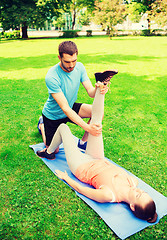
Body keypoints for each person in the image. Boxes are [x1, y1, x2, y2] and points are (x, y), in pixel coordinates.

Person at [37, 72, 157, 223]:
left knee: (63, 128)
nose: (138, 190)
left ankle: (48, 152)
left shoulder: (109, 195)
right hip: (98, 158)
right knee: (97, 124)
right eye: (143, 192)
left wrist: (66, 177)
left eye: (139, 195)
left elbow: (82, 190)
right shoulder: (134, 182)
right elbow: (135, 187)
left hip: (81, 166)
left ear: (132, 206)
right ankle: (102, 84)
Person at [40, 40, 109, 152]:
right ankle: (42, 125)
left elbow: (91, 93)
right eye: (67, 62)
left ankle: (83, 142)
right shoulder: (52, 76)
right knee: (53, 150)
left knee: (97, 112)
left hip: (70, 106)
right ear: (59, 58)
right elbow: (65, 108)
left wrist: (98, 88)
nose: (71, 65)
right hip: (54, 115)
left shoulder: (80, 67)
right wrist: (87, 128)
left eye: (74, 60)